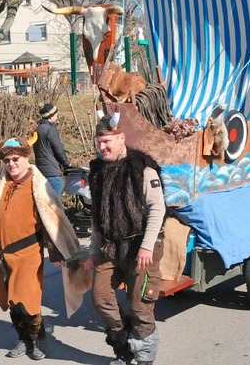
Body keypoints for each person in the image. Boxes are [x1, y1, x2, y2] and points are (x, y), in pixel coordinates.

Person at [0, 134, 81, 360]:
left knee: (27, 300)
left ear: (25, 158)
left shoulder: (38, 184)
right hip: (1, 253)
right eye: (7, 160)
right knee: (12, 301)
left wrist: (56, 249)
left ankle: (38, 335)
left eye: (15, 159)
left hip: (28, 252)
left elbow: (52, 218)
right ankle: (23, 338)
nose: (11, 164)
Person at [83, 111, 166, 365]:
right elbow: (98, 218)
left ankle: (143, 358)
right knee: (100, 299)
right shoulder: (98, 171)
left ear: (121, 139)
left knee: (141, 306)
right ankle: (124, 344)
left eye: (107, 142)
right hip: (110, 246)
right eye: (99, 143)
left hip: (141, 246)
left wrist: (147, 246)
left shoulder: (142, 169)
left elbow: (157, 209)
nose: (102, 147)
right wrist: (92, 252)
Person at [33, 103, 71, 196]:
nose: (57, 117)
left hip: (40, 172)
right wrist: (67, 164)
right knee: (55, 206)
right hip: (53, 173)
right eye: (56, 115)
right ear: (50, 117)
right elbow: (59, 150)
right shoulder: (50, 130)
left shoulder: (37, 130)